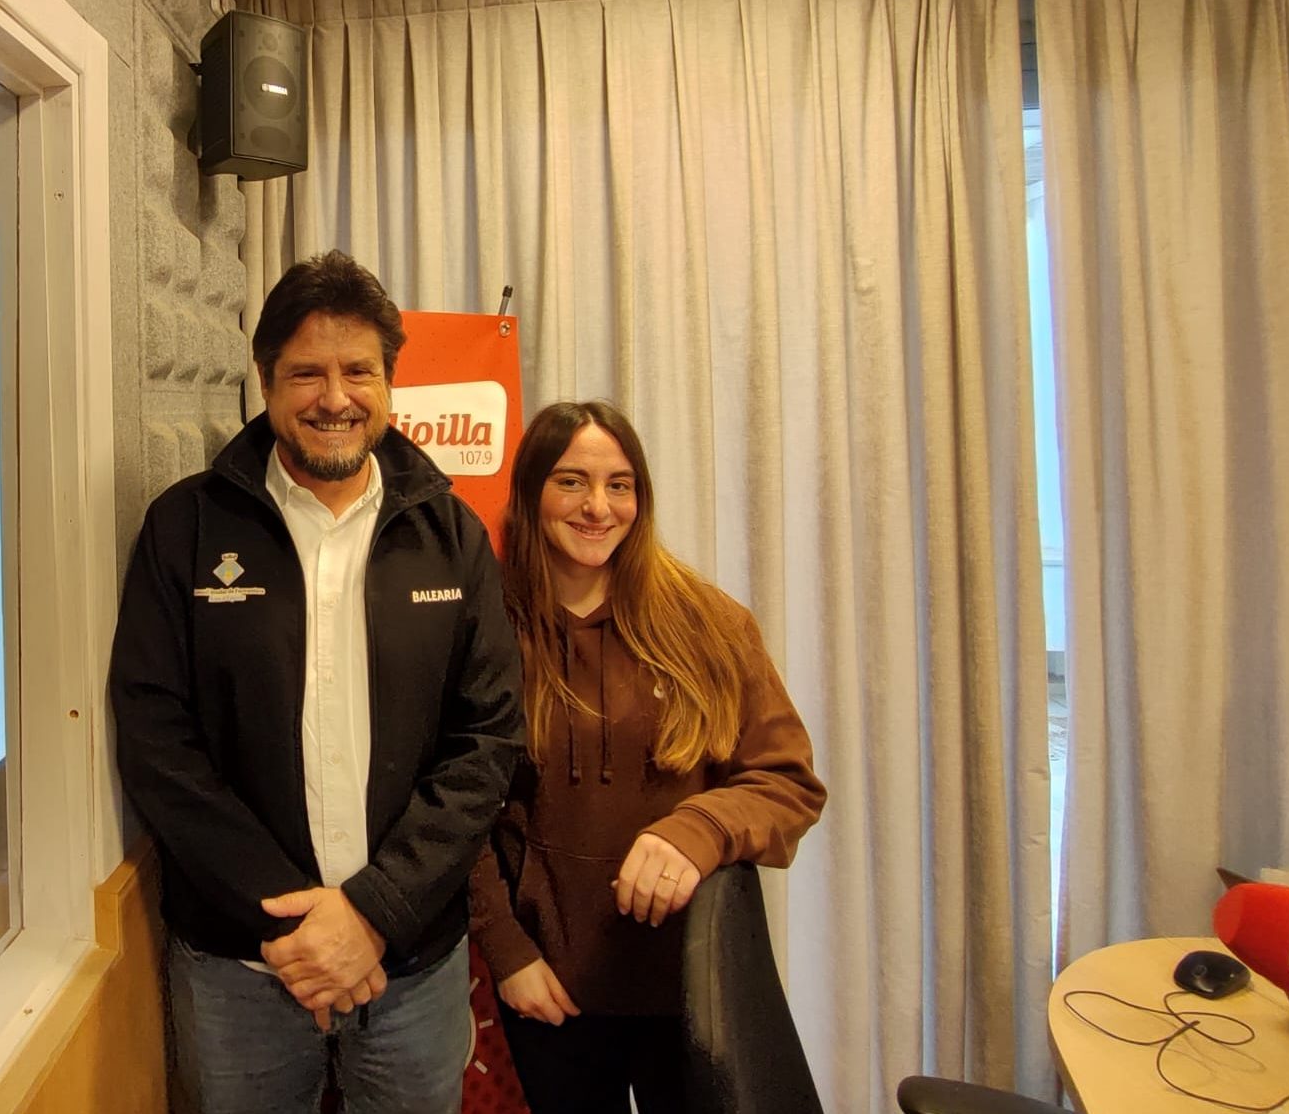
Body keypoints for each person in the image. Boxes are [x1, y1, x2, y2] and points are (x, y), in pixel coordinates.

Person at [109, 250, 523, 1114]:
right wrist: (302, 927)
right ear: (264, 381)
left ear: (389, 382)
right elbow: (157, 743)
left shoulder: (452, 537)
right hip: (242, 973)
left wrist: (373, 913)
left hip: (411, 969)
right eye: (306, 373)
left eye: (357, 371)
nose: (335, 397)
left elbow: (486, 741)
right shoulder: (185, 529)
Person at [469, 400, 826, 1113]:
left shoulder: (708, 623)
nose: (598, 507)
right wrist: (507, 951)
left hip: (694, 990)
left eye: (620, 485)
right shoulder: (485, 632)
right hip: (551, 989)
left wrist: (697, 830)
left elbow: (787, 782)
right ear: (531, 493)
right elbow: (457, 810)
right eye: (572, 482)